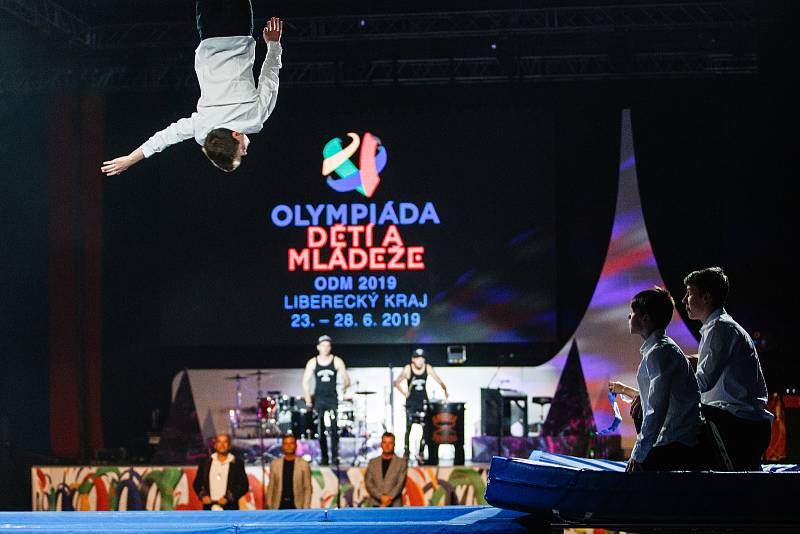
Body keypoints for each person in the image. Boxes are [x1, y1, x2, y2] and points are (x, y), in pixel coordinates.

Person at [101, 1, 282, 175]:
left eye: (241, 151)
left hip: (238, 29)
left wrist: (273, 45)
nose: (245, 152)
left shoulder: (255, 118)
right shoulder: (202, 126)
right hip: (209, 32)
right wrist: (130, 159)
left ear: (235, 134)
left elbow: (270, 78)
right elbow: (164, 138)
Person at [682, 267, 773, 470]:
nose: (684, 300)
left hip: (738, 426)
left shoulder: (720, 329)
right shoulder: (720, 327)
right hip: (741, 423)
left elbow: (702, 383)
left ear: (706, 297)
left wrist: (668, 383)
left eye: (689, 293)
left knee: (674, 407)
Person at [608, 287, 704, 472]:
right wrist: (625, 390)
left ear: (645, 319)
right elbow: (654, 396)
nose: (629, 317)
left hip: (678, 442)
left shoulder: (659, 352)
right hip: (675, 437)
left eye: (632, 313)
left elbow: (656, 409)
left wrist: (639, 453)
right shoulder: (660, 350)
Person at [302, 334, 351, 465]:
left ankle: (335, 456)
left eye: (327, 346)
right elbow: (305, 381)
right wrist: (308, 398)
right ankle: (324, 457)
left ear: (330, 347)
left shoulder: (336, 361)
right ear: (318, 347)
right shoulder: (313, 362)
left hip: (332, 398)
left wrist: (343, 389)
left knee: (334, 428)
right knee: (321, 429)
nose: (325, 348)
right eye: (322, 346)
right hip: (319, 399)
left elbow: (347, 379)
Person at [393, 348, 448, 462]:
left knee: (426, 427)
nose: (420, 361)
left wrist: (445, 389)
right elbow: (396, 382)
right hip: (411, 403)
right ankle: (406, 451)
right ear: (413, 359)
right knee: (409, 427)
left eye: (422, 358)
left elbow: (438, 379)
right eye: (418, 358)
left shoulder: (427, 368)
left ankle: (421, 451)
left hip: (423, 401)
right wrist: (405, 393)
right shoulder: (408, 369)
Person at [192, 433, 249, 510]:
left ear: (229, 445)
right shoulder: (206, 463)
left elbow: (244, 486)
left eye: (225, 442)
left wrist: (229, 498)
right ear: (215, 445)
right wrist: (203, 496)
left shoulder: (237, 463)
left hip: (230, 509)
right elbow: (197, 483)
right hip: (209, 508)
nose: (222, 445)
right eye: (219, 442)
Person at [266, 434, 312, 509]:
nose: (289, 446)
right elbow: (271, 486)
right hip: (278, 506)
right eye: (286, 443)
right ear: (282, 446)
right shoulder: (275, 464)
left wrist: (306, 507)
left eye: (291, 443)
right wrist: (269, 504)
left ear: (296, 445)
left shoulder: (304, 464)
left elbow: (307, 488)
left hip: (297, 507)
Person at [364, 432, 408, 507]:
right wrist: (380, 497)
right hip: (375, 504)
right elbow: (368, 482)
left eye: (390, 443)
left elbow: (400, 483)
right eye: (385, 442)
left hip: (394, 505)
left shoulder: (402, 463)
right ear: (381, 444)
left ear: (394, 444)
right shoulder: (372, 462)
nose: (387, 445)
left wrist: (389, 497)